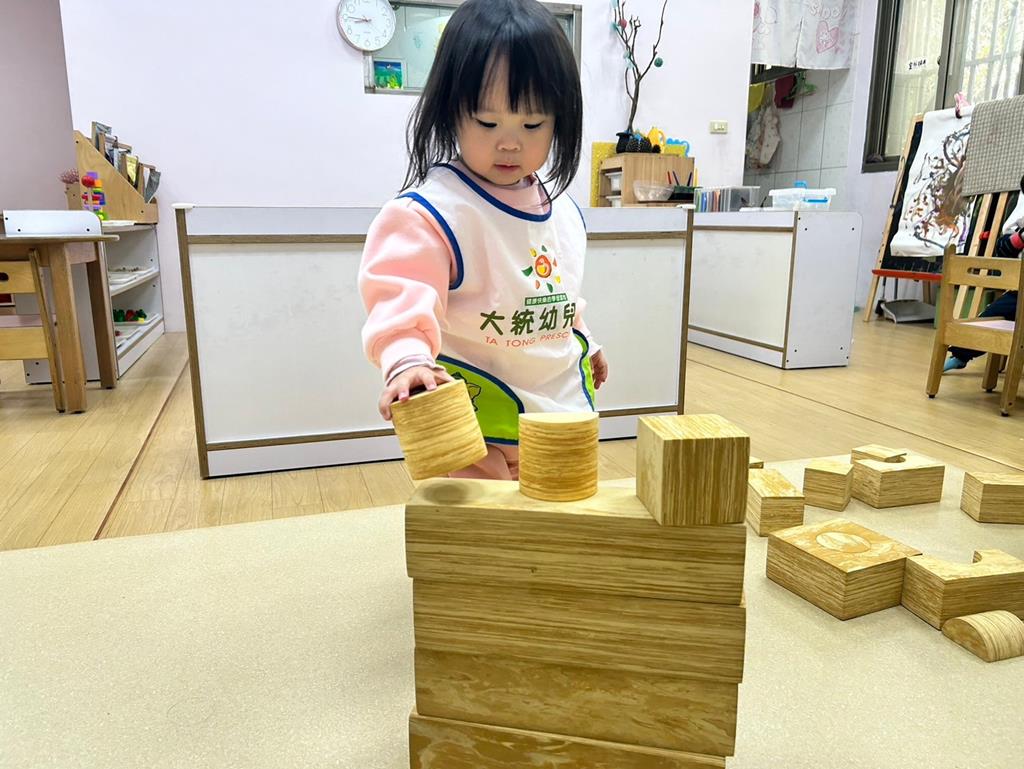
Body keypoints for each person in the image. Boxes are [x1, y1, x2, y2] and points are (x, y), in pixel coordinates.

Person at [359, 0, 607, 480]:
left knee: (558, 515)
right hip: (475, 425)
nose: (510, 143)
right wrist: (407, 362)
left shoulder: (562, 211)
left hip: (556, 413)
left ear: (560, 120)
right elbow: (399, 302)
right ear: (451, 113)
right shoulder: (431, 215)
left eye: (532, 125)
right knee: (477, 520)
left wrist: (586, 340)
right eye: (488, 123)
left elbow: (553, 296)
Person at [943, 209, 1024, 372]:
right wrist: (1020, 238)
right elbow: (1003, 251)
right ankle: (960, 356)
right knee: (992, 315)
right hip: (1020, 292)